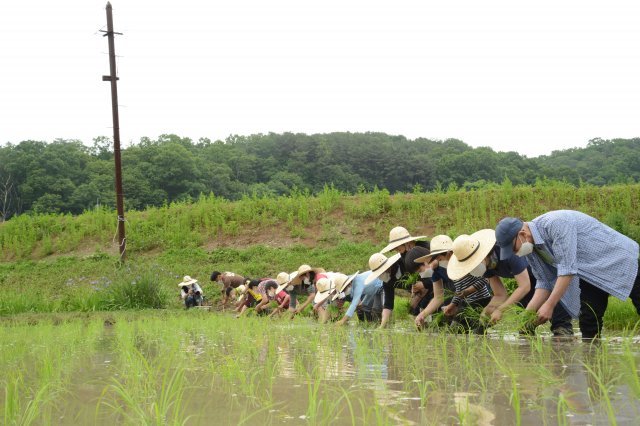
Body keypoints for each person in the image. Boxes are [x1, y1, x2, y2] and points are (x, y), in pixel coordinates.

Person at [495, 211, 640, 339]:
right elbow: (544, 282)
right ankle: (594, 362)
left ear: (522, 235)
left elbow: (567, 270)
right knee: (589, 321)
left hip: (620, 260)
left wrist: (549, 305)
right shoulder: (531, 250)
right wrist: (527, 317)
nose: (514, 253)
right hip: (589, 274)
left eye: (513, 248)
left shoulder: (556, 223)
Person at [447, 230, 574, 336]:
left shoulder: (506, 252)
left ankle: (563, 335)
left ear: (482, 255)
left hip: (547, 275)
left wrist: (501, 310)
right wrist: (490, 309)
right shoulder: (485, 266)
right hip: (528, 283)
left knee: (559, 323)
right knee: (525, 328)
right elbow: (499, 294)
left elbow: (524, 286)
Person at [413, 234, 492, 332]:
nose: (438, 262)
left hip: (480, 300)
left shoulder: (463, 262)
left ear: (449, 253)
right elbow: (452, 292)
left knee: (460, 329)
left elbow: (484, 280)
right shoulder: (449, 270)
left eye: (440, 259)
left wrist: (465, 293)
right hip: (466, 302)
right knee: (458, 330)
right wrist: (452, 305)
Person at [377, 226, 429, 328]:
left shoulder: (425, 248)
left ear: (407, 243)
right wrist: (382, 326)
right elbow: (388, 304)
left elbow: (430, 276)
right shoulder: (404, 256)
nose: (397, 251)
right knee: (417, 311)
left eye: (397, 248)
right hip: (425, 289)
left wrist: (421, 288)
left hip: (437, 285)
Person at [365, 252, 402, 327]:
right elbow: (388, 305)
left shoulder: (403, 265)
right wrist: (382, 327)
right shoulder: (387, 282)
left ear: (387, 267)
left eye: (380, 273)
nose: (379, 277)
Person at [403, 246, 434, 316]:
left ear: (425, 261)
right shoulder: (425, 274)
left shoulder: (439, 267)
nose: (421, 274)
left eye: (420, 271)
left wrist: (424, 284)